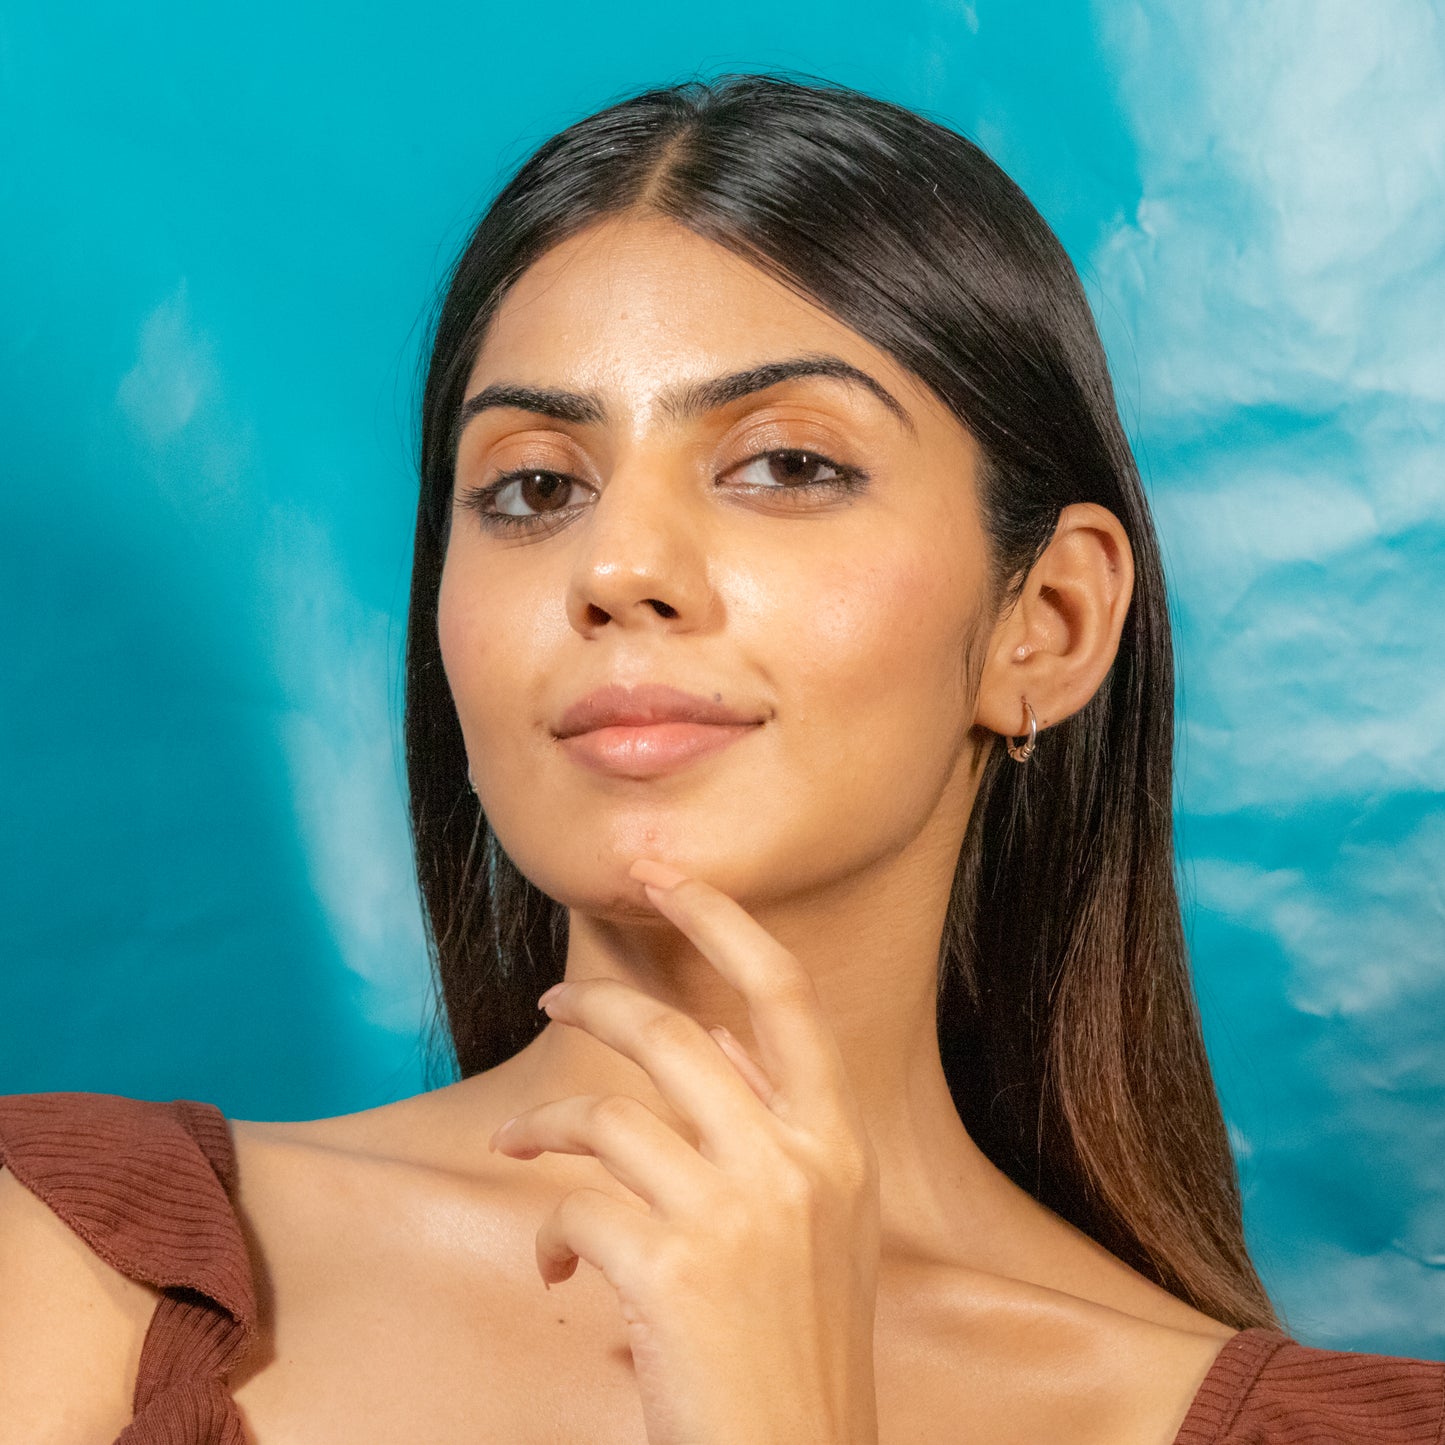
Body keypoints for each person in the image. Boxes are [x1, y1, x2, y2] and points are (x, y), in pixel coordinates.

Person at [1, 71, 1440, 1445]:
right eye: (533, 486)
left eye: (789, 465)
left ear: (1046, 623)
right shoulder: (60, 1254)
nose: (618, 565)